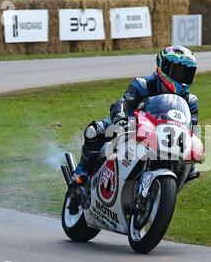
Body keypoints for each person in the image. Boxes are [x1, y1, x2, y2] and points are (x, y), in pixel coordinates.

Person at [73, 45, 200, 185]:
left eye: (188, 73)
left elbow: (191, 128)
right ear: (163, 67)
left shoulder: (190, 101)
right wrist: (120, 118)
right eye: (179, 71)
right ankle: (81, 172)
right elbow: (124, 103)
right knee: (94, 131)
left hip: (166, 136)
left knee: (190, 164)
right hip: (132, 125)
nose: (182, 78)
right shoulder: (143, 84)